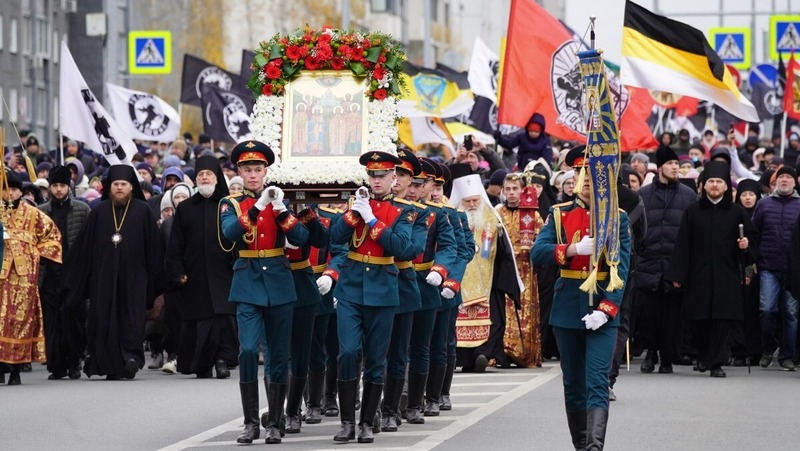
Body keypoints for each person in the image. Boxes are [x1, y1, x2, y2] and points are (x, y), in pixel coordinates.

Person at [530, 145, 631, 450]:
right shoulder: (559, 214)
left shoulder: (618, 218)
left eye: (593, 173)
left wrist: (607, 307)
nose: (586, 180)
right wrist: (572, 250)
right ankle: (581, 444)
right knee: (574, 383)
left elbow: (622, 267)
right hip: (567, 306)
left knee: (597, 380)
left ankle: (594, 447)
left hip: (602, 306)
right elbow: (538, 252)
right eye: (581, 173)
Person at [219, 140, 308, 444]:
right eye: (248, 170)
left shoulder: (279, 200)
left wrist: (281, 210)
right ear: (239, 172)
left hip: (279, 281)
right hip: (247, 280)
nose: (253, 175)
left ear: (266, 171)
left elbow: (301, 237)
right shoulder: (230, 203)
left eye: (258, 169)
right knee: (247, 350)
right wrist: (257, 207)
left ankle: (275, 421)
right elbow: (229, 234)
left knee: (278, 355)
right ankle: (250, 422)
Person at [328, 151, 415, 444]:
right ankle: (346, 422)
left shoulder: (404, 211)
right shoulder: (356, 205)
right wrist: (355, 213)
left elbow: (402, 247)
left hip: (383, 289)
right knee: (348, 352)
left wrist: (372, 219)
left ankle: (366, 422)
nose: (376, 181)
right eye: (372, 175)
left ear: (393, 178)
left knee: (377, 359)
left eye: (382, 176)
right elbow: (335, 237)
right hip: (351, 288)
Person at [61, 165, 163, 380]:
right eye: (116, 184)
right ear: (109, 187)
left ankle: (131, 357)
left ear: (131, 187)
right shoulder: (99, 212)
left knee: (132, 318)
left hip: (135, 278)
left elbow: (154, 248)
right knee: (104, 319)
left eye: (123, 184)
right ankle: (107, 362)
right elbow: (84, 248)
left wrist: (155, 279)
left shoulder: (143, 211)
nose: (119, 188)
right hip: (103, 278)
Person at [665, 161, 756, 377]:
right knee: (698, 321)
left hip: (727, 274)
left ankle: (716, 363)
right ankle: (704, 355)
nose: (715, 185)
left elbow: (751, 240)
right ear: (704, 185)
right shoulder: (693, 211)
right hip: (699, 275)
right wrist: (678, 274)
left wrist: (746, 245)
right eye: (711, 181)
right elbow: (682, 244)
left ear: (726, 187)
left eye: (719, 182)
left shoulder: (737, 213)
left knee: (723, 320)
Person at [166, 156, 238, 379]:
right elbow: (176, 244)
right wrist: (178, 271)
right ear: (196, 180)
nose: (205, 178)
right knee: (200, 319)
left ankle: (223, 360)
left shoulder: (228, 205)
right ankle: (203, 364)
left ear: (217, 178)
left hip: (224, 272)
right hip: (194, 274)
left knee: (223, 317)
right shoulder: (186, 207)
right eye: (201, 175)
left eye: (209, 174)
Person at [449, 170, 521, 372]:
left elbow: (504, 251)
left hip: (488, 280)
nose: (472, 205)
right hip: (457, 280)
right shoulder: (451, 218)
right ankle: (462, 358)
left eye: (475, 200)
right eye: (468, 202)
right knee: (455, 320)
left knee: (494, 317)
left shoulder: (491, 217)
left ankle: (483, 354)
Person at [403, 158, 457, 424]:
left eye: (419, 184)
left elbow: (454, 249)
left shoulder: (439, 214)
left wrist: (442, 273)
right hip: (398, 280)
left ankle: (422, 400)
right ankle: (395, 400)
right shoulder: (394, 209)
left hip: (426, 282)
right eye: (410, 184)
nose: (413, 190)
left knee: (427, 346)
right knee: (396, 347)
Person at [634, 147, 696, 373]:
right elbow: (634, 227)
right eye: (670, 163)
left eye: (677, 164)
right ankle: (651, 352)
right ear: (660, 167)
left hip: (674, 263)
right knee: (649, 314)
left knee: (672, 314)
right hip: (648, 261)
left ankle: (667, 357)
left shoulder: (688, 195)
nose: (675, 167)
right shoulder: (643, 194)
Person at [379, 149, 428, 432]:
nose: (396, 179)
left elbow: (411, 249)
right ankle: (373, 405)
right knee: (370, 352)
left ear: (411, 181)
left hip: (401, 283)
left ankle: (391, 408)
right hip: (370, 282)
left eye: (403, 174)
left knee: (398, 352)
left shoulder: (417, 213)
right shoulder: (367, 204)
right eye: (392, 173)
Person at [0, 169, 62, 385]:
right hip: (1, 275)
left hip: (23, 278)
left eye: (14, 189)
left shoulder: (34, 214)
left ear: (21, 192)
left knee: (20, 321)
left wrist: (37, 254)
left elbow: (53, 237)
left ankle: (16, 368)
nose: (10, 194)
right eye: (6, 190)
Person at [38, 166, 91, 380]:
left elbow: (89, 242)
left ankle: (74, 362)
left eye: (62, 185)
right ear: (50, 188)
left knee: (73, 318)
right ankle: (57, 365)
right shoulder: (41, 211)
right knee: (53, 321)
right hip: (50, 274)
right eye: (55, 186)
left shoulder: (82, 209)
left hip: (74, 273)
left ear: (69, 187)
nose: (59, 190)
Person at [281, 202, 328, 434]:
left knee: (306, 351)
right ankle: (280, 410)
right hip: (273, 281)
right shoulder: (265, 206)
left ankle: (304, 406)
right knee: (277, 353)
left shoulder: (305, 209)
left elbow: (321, 240)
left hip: (302, 282)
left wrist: (306, 214)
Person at [750, 165, 800, 371]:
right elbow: (754, 232)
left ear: (795, 182)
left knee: (791, 313)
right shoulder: (764, 204)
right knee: (767, 310)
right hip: (768, 266)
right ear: (775, 181)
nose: (784, 180)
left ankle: (787, 355)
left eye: (789, 177)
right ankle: (769, 349)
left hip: (794, 269)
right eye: (781, 177)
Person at [496, 173, 543, 367]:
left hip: (525, 268)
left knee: (525, 309)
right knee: (503, 309)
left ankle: (525, 353)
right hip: (504, 268)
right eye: (508, 189)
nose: (511, 193)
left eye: (515, 189)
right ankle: (502, 351)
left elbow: (542, 240)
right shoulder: (497, 213)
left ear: (522, 190)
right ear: (503, 191)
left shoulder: (533, 214)